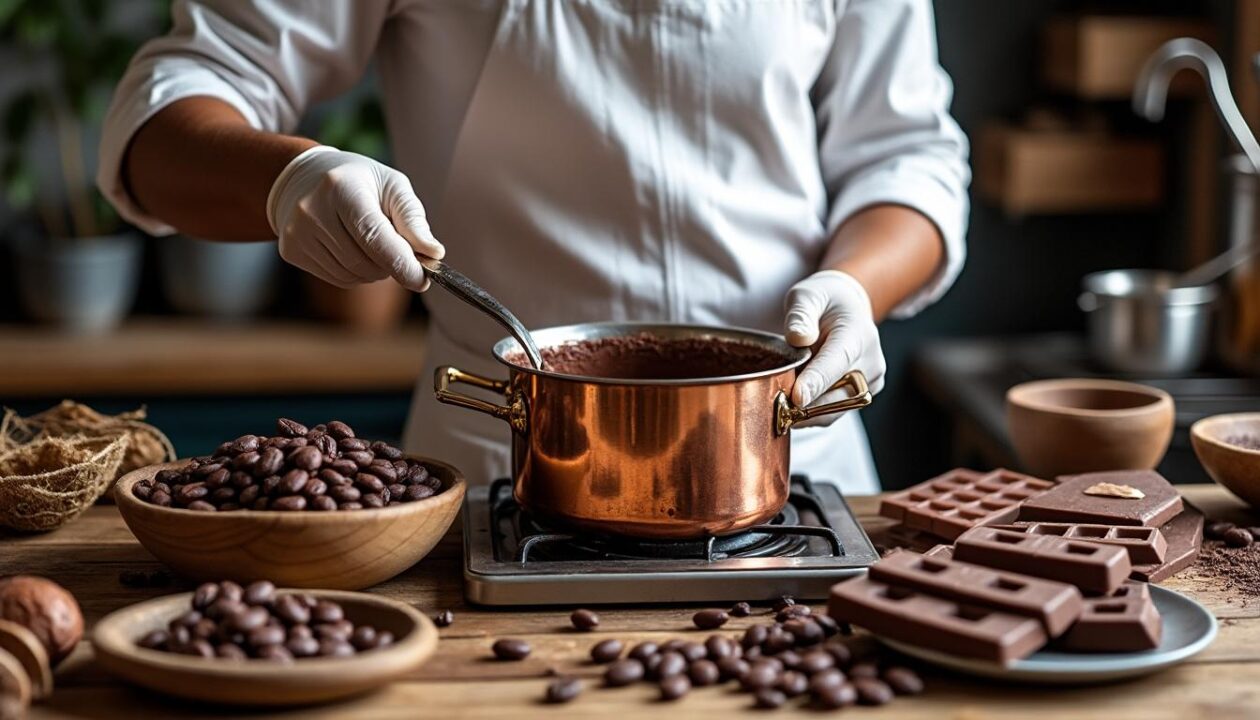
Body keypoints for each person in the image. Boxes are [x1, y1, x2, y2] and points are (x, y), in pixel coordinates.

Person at [99, 0, 968, 494]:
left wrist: (857, 285)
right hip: (509, 454)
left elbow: (905, 153)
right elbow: (163, 121)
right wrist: (291, 178)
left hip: (789, 447)